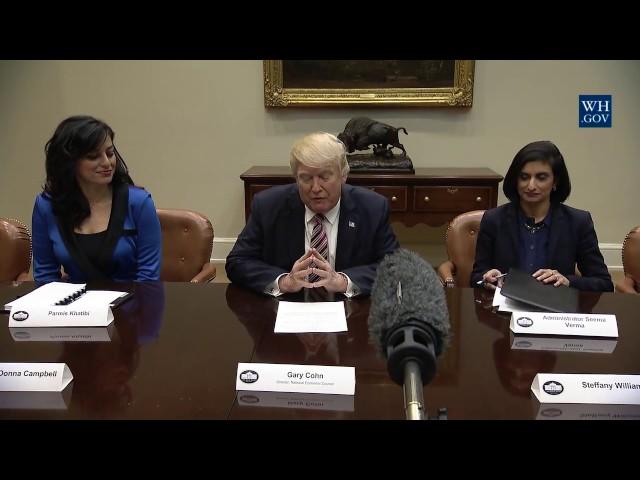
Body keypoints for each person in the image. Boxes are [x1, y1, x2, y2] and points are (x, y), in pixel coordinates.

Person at [226, 132, 399, 296]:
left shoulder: (372, 207)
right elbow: (238, 262)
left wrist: (344, 282)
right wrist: (284, 281)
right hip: (285, 308)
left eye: (324, 177)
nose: (315, 188)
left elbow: (395, 268)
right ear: (296, 178)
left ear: (343, 176)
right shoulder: (268, 205)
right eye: (306, 178)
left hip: (349, 309)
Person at [32, 115, 161, 283]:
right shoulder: (46, 206)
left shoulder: (139, 203)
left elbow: (148, 279)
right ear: (69, 161)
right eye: (93, 156)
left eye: (110, 153)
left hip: (132, 304)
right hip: (74, 307)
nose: (107, 163)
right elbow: (45, 275)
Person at [470, 140, 613, 292]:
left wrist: (567, 281)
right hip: (505, 310)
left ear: (555, 181)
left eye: (541, 177)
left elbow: (604, 283)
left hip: (554, 309)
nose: (531, 186)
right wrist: (486, 278)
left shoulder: (578, 222)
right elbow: (476, 278)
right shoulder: (494, 219)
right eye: (524, 177)